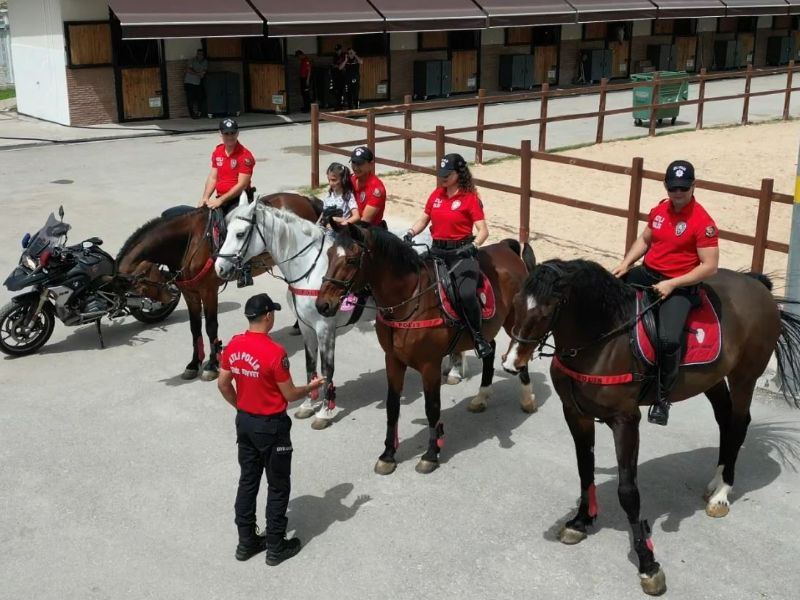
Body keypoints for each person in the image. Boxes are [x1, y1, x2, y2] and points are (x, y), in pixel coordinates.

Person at [218, 293, 326, 565]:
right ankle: (276, 545)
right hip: (271, 427)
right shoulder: (275, 352)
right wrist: (311, 388)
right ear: (268, 316)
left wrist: (241, 406)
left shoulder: (234, 344)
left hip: (245, 423)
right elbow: (290, 394)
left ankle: (246, 542)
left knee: (248, 481)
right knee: (278, 485)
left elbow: (223, 384)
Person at [612, 160, 719, 426]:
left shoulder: (703, 222)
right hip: (648, 274)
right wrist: (626, 263)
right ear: (666, 187)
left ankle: (662, 398)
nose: (678, 193)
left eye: (683, 188)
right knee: (607, 293)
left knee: (668, 340)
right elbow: (645, 239)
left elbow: (710, 267)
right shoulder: (660, 209)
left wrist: (673, 284)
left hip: (680, 286)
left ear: (693, 186)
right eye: (673, 188)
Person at [403, 153, 493, 359]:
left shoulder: (470, 198)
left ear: (459, 173)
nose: (442, 177)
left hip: (460, 254)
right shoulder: (436, 195)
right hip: (436, 251)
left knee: (466, 293)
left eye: (447, 174)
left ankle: (478, 337)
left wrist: (474, 246)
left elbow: (483, 231)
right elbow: (424, 219)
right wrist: (410, 233)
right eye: (441, 173)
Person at [199, 118, 256, 216]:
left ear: (237, 133)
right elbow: (213, 178)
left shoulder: (245, 156)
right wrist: (205, 198)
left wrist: (220, 200)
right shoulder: (218, 151)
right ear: (220, 134)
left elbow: (242, 185)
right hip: (221, 198)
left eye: (232, 133)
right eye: (226, 134)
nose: (230, 137)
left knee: (230, 224)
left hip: (239, 200)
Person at [348, 146, 386, 227]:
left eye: (360, 163)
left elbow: (364, 221)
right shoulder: (350, 179)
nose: (355, 167)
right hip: (351, 223)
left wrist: (343, 223)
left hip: (368, 230)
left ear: (371, 165)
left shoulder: (376, 189)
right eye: (354, 162)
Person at [319, 162, 359, 227]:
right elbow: (323, 214)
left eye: (333, 180)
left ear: (343, 180)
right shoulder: (329, 195)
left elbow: (356, 216)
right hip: (326, 228)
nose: (330, 183)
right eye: (329, 180)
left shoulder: (347, 196)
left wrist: (343, 222)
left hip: (341, 229)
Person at [184, 49, 207, 119]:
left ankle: (199, 113)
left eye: (201, 54)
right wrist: (197, 73)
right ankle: (192, 114)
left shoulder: (205, 62)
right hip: (189, 82)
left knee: (201, 98)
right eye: (199, 54)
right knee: (190, 99)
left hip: (198, 83)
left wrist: (201, 73)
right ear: (196, 54)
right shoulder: (192, 60)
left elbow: (204, 72)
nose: (200, 55)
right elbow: (188, 70)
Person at [330, 45, 346, 110]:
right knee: (336, 91)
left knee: (341, 91)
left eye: (338, 50)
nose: (337, 51)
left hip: (342, 76)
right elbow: (333, 65)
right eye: (336, 50)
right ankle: (337, 105)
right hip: (335, 76)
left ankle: (341, 105)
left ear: (341, 50)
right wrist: (338, 66)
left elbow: (341, 67)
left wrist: (339, 66)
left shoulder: (344, 56)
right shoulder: (335, 56)